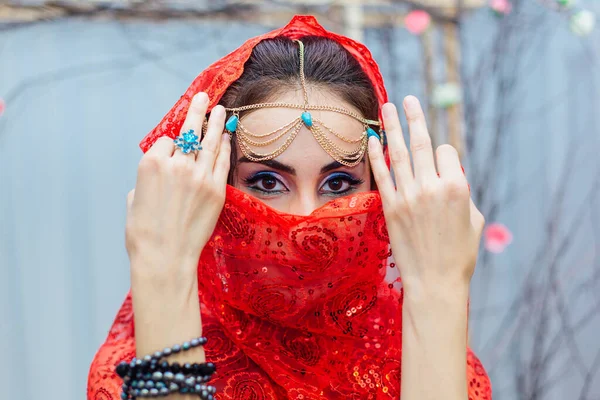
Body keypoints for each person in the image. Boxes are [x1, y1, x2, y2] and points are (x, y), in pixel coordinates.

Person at [88, 15, 492, 400]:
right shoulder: (132, 368)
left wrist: (439, 287)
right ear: (215, 185)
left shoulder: (427, 350)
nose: (305, 222)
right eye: (267, 182)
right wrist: (162, 265)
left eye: (338, 183)